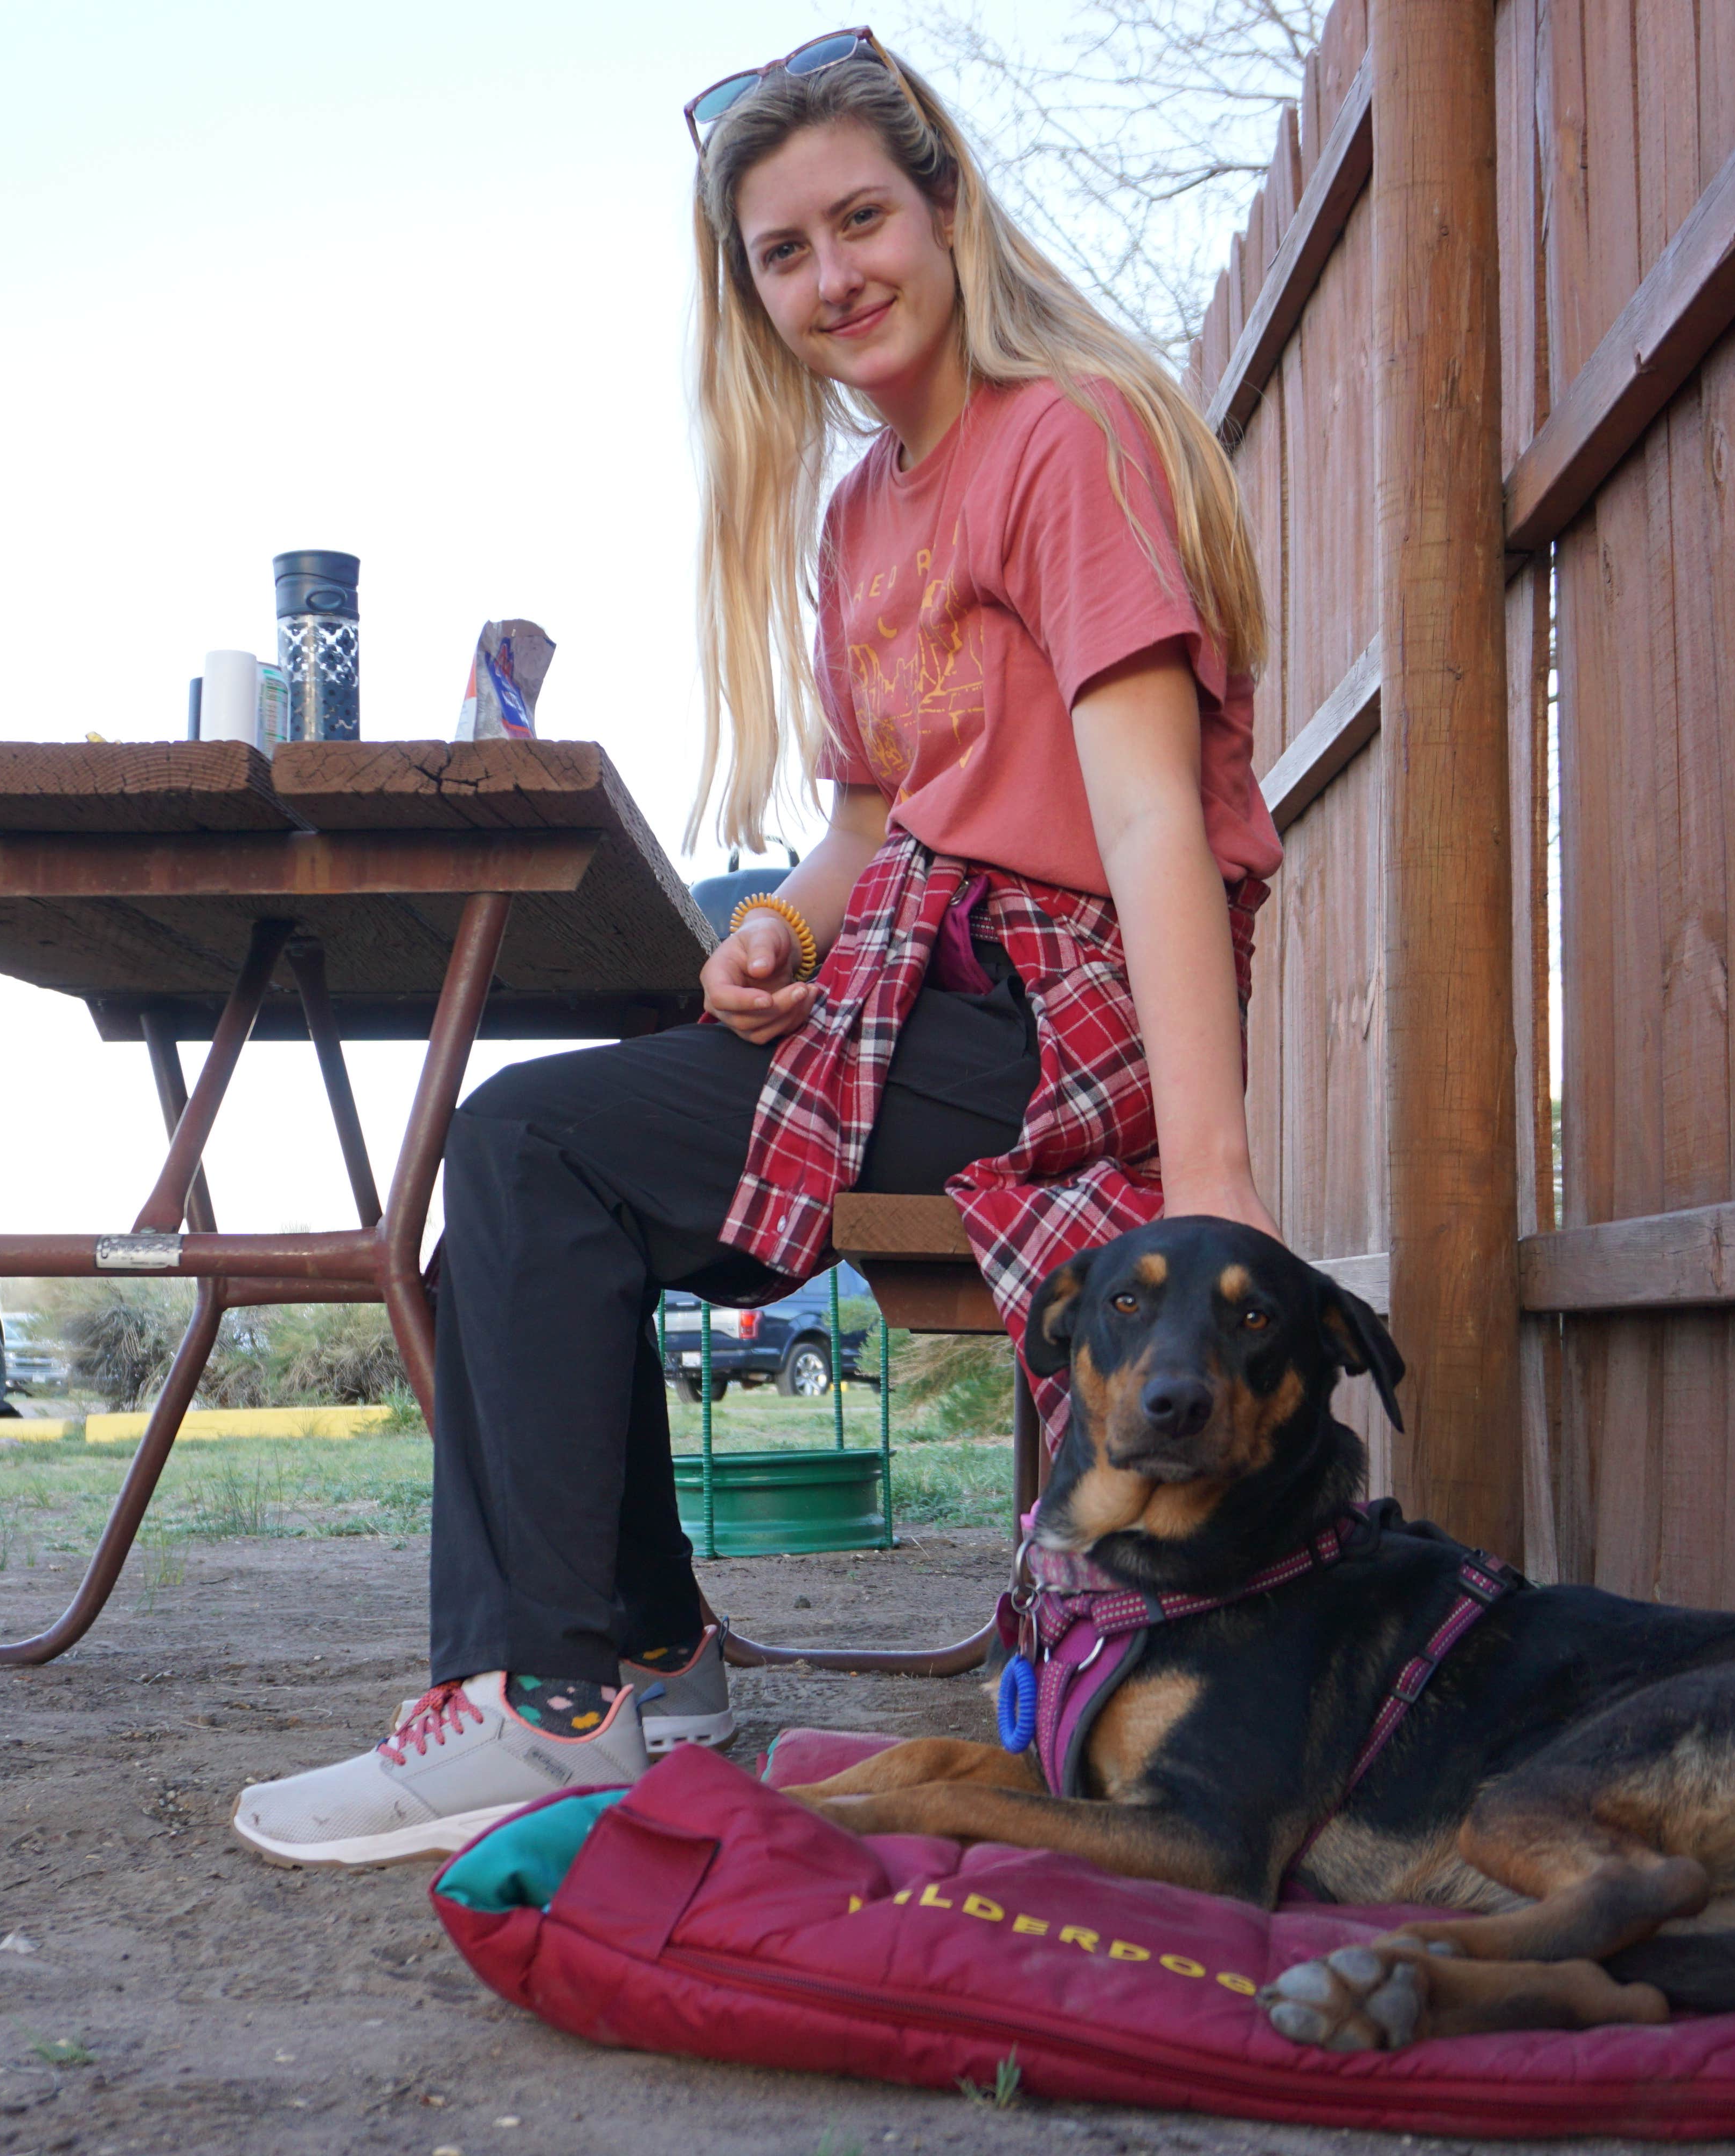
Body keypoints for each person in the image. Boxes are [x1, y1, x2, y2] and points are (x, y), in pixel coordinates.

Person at [232, 29, 1282, 1867]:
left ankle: (552, 1703)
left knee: (521, 1143)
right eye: (781, 254)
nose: (830, 280)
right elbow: (876, 814)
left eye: (860, 220)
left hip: (1058, 1005)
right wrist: (783, 926)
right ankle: (645, 1664)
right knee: (536, 1174)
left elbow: (1145, 826)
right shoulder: (863, 509)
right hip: (915, 982)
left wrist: (1214, 1186)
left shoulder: (1068, 440)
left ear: (946, 209)